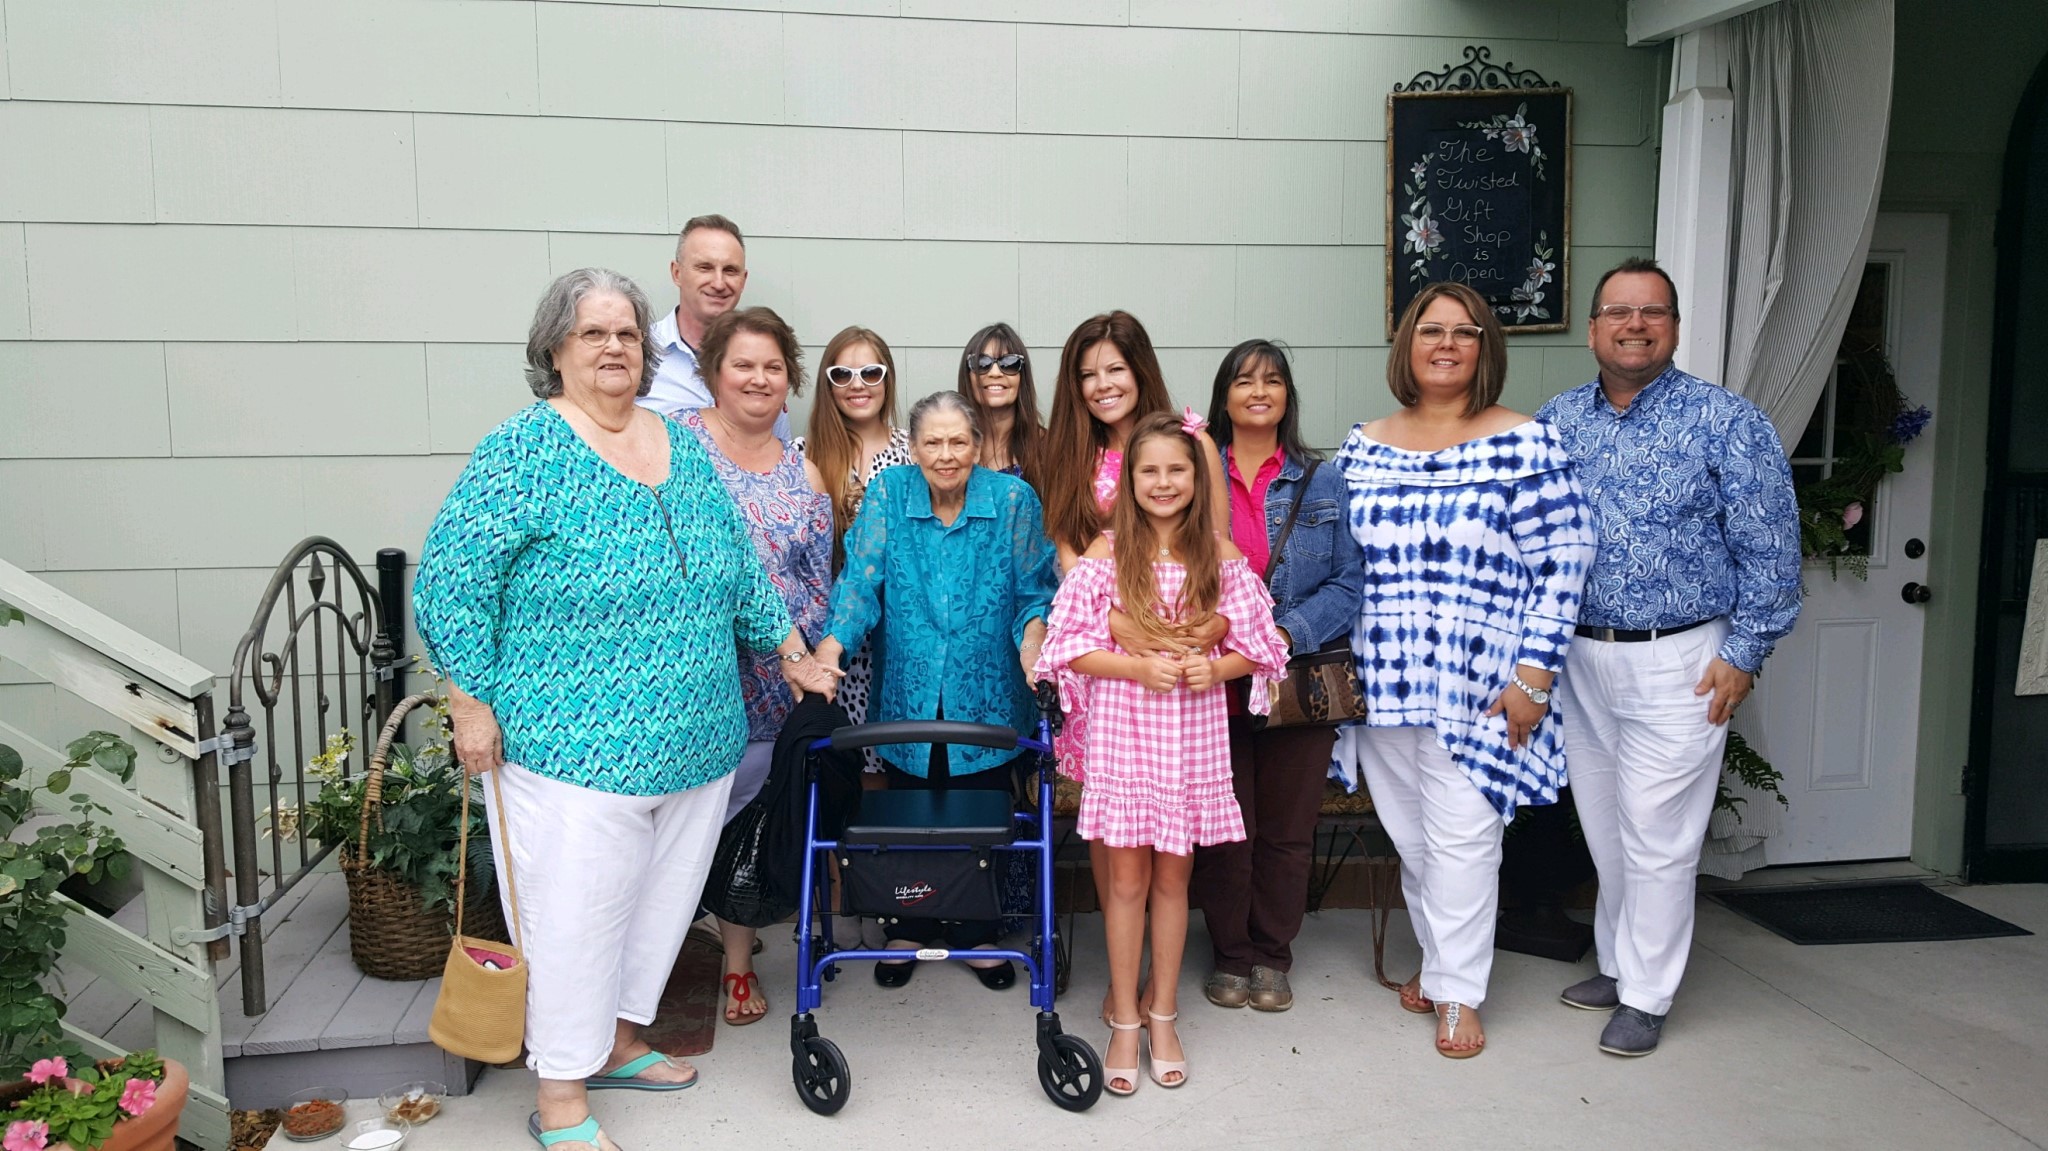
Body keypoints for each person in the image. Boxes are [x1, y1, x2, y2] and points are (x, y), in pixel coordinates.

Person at [413, 268, 836, 1151]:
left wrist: (791, 651)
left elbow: (737, 565)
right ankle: (561, 1096)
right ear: (554, 348)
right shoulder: (523, 449)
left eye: (629, 334)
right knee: (574, 919)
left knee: (659, 907)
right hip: (574, 745)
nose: (615, 347)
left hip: (696, 739)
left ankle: (618, 1040)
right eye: (594, 332)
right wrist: (469, 698)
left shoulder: (678, 443)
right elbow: (453, 580)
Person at [1536, 258, 1802, 1058]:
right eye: (1618, 311)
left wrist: (1745, 651)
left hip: (1682, 658)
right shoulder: (1559, 421)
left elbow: (1772, 547)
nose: (1635, 325)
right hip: (1582, 657)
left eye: (1652, 312)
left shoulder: (1728, 422)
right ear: (1592, 329)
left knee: (1658, 831)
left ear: (1674, 327)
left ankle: (1647, 995)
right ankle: (1620, 965)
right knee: (1607, 825)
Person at [1333, 281, 1595, 1060]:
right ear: (1406, 345)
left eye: (1465, 331)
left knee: (1465, 838)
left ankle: (1458, 992)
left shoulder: (1526, 442)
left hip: (1480, 685)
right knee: (1417, 841)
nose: (1446, 344)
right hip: (1382, 681)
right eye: (1431, 330)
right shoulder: (1363, 445)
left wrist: (1534, 676)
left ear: (1486, 348)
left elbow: (1566, 561)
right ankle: (1442, 961)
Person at [1036, 411, 1291, 1097]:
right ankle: (1124, 1017)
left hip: (1191, 743)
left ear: (1198, 478)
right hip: (1124, 738)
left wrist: (1219, 668)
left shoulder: (1221, 554)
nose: (1164, 481)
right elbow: (1065, 648)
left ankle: (1163, 1014)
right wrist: (1133, 666)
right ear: (1128, 480)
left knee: (1174, 882)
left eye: (1178, 469)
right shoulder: (1105, 554)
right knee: (1125, 883)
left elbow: (1263, 644)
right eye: (1149, 470)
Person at [813, 390, 1059, 990]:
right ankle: (909, 925)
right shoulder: (889, 493)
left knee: (981, 811)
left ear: (977, 445)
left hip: (990, 688)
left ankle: (976, 932)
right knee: (910, 809)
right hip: (910, 687)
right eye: (933, 442)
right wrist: (831, 647)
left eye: (957, 441)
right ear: (915, 447)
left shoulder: (1013, 500)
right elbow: (860, 581)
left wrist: (1033, 643)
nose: (946, 454)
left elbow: (1035, 590)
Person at [1190, 340, 1365, 1014]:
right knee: (1226, 828)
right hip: (1215, 682)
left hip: (1296, 680)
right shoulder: (1197, 471)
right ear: (1224, 396)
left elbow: (1348, 582)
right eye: (1243, 380)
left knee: (1288, 832)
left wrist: (1283, 634)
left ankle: (1272, 955)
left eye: (1272, 380)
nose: (1258, 391)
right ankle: (1231, 953)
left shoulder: (1323, 480)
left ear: (1288, 395)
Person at [682, 306, 840, 1027]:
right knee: (684, 824)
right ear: (714, 372)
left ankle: (737, 962)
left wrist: (813, 663)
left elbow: (817, 584)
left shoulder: (802, 470)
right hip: (700, 678)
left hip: (778, 685)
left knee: (746, 822)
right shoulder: (677, 447)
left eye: (773, 366)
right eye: (742, 364)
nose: (758, 378)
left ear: (790, 379)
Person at [794, 327, 914, 778]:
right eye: (842, 374)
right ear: (827, 384)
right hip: (827, 635)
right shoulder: (803, 455)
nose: (857, 384)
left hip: (898, 633)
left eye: (870, 372)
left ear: (888, 378)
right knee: (836, 765)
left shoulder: (916, 454)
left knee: (891, 759)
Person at [641, 213, 790, 440]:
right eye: (705, 267)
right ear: (677, 273)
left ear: (743, 279)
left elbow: (778, 449)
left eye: (730, 270)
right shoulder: (639, 352)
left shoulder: (765, 364)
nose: (719, 283)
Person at [955, 321, 1046, 485]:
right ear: (967, 376)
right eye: (982, 363)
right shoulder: (948, 445)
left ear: (1022, 377)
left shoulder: (1048, 447)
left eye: (1009, 363)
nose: (995, 373)